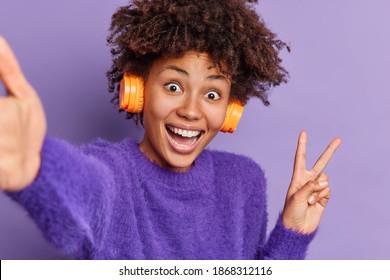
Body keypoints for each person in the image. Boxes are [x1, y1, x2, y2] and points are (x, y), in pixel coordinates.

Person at [0, 0, 341, 259]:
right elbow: (83, 198)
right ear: (138, 91)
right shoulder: (114, 174)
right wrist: (39, 167)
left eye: (212, 94)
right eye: (174, 86)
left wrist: (293, 232)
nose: (191, 111)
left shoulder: (243, 181)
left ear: (230, 110)